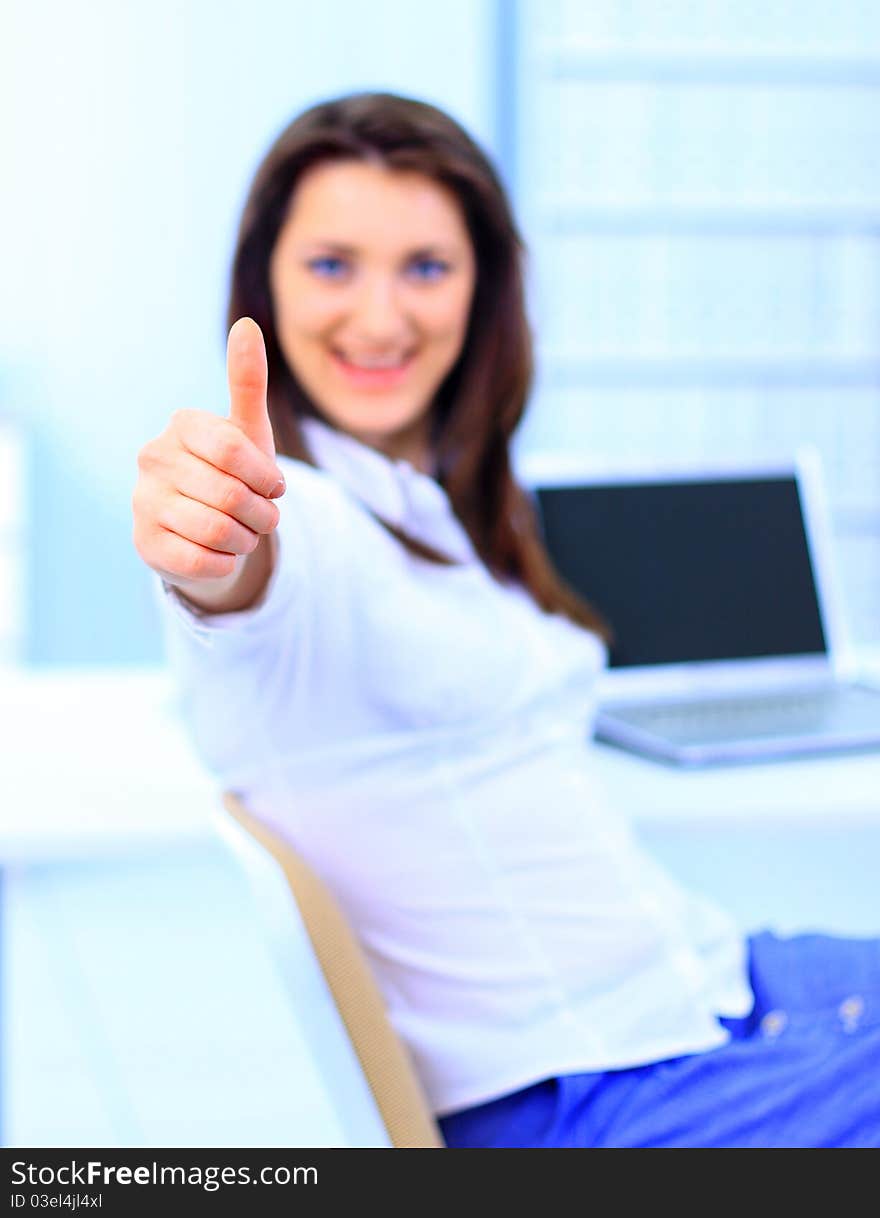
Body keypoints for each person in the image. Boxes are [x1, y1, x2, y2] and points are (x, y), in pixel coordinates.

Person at [132, 91, 880, 1148]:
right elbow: (251, 575)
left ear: (483, 291)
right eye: (332, 265)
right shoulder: (316, 512)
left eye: (426, 268)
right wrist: (215, 532)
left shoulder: (439, 506)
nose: (382, 316)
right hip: (589, 1094)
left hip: (705, 988)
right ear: (267, 284)